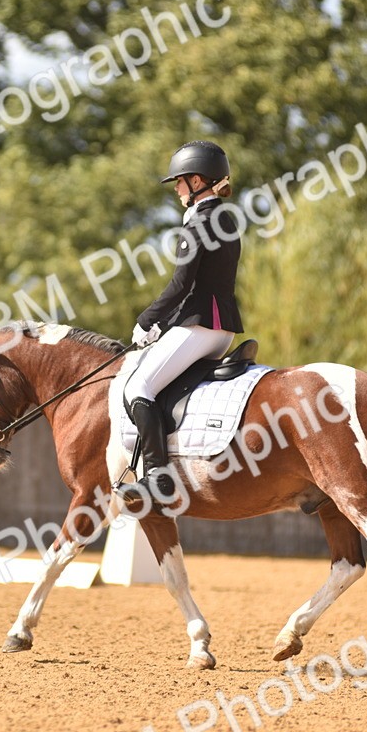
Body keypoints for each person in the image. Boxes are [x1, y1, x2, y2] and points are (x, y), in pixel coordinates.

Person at [117, 140, 244, 507]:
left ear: (198, 181)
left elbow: (181, 284)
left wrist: (147, 320)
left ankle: (158, 477)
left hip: (202, 327)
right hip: (221, 328)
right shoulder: (226, 219)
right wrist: (165, 326)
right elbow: (202, 287)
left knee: (137, 385)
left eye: (180, 181)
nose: (175, 188)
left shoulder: (200, 222)